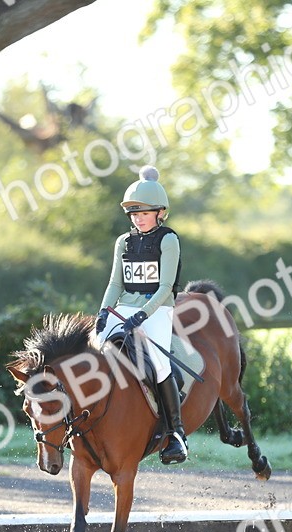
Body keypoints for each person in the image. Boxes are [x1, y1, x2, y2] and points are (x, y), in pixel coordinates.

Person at [94, 165, 188, 464]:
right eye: (133, 214)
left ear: (160, 212)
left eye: (143, 213)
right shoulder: (123, 241)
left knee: (159, 364)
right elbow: (115, 283)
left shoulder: (168, 240)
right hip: (124, 308)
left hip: (158, 309)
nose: (137, 218)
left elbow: (166, 287)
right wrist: (104, 312)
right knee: (94, 347)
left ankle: (176, 434)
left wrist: (143, 315)